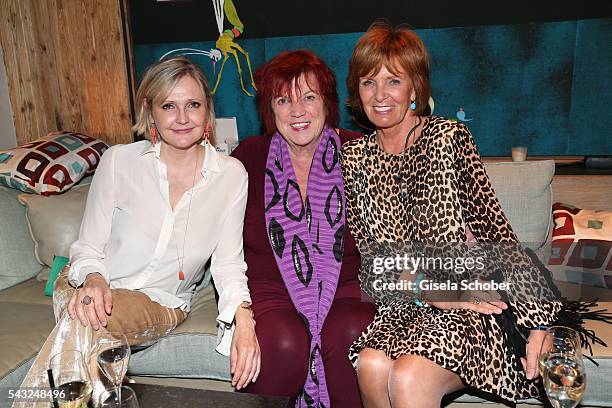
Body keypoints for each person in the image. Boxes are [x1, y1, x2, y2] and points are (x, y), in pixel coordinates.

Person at [16, 56, 259, 406]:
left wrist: (244, 320)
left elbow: (228, 264)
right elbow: (88, 246)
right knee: (85, 316)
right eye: (168, 105)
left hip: (159, 301)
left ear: (207, 111)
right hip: (85, 281)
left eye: (193, 104)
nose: (182, 118)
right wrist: (94, 280)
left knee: (84, 324)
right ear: (151, 111)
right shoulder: (119, 161)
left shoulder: (231, 176)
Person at [341, 22, 561, 407]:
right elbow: (374, 266)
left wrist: (540, 322)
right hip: (407, 304)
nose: (379, 95)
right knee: (372, 365)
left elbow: (498, 234)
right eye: (368, 82)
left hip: (471, 302)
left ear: (415, 88)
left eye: (393, 81)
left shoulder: (448, 139)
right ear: (357, 91)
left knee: (408, 376)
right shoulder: (354, 158)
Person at [231, 50, 375, 407]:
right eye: (284, 101)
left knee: (348, 332)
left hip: (348, 286)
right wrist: (240, 313)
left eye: (309, 98)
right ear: (270, 109)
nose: (297, 112)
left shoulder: (359, 151)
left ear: (327, 102)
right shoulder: (248, 158)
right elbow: (220, 241)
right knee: (283, 344)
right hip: (270, 288)